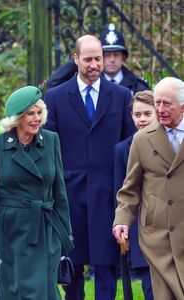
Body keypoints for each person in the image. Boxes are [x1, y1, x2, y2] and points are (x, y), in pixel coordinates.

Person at [44, 35, 135, 300]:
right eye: (89, 59)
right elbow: (50, 148)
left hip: (108, 195)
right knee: (72, 266)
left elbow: (129, 145)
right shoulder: (56, 97)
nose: (95, 64)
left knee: (106, 264)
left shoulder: (120, 96)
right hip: (70, 196)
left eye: (99, 58)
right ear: (76, 59)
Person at [0, 86, 73, 300]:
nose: (37, 119)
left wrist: (65, 232)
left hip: (45, 227)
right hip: (11, 230)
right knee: (13, 290)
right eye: (30, 113)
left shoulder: (51, 140)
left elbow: (59, 190)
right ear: (17, 118)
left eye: (39, 112)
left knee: (42, 290)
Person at [113, 77, 184, 299]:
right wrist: (122, 220)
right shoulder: (142, 139)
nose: (160, 109)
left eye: (167, 104)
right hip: (157, 236)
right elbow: (130, 188)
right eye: (157, 103)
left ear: (182, 106)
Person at [114, 90, 155, 300]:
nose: (142, 119)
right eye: (137, 115)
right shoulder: (123, 149)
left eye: (147, 113)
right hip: (141, 225)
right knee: (150, 288)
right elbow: (121, 190)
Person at [47, 23, 149, 94]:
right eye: (107, 55)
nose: (112, 59)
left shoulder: (138, 86)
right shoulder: (86, 81)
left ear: (124, 57)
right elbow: (53, 84)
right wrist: (80, 59)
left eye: (116, 54)